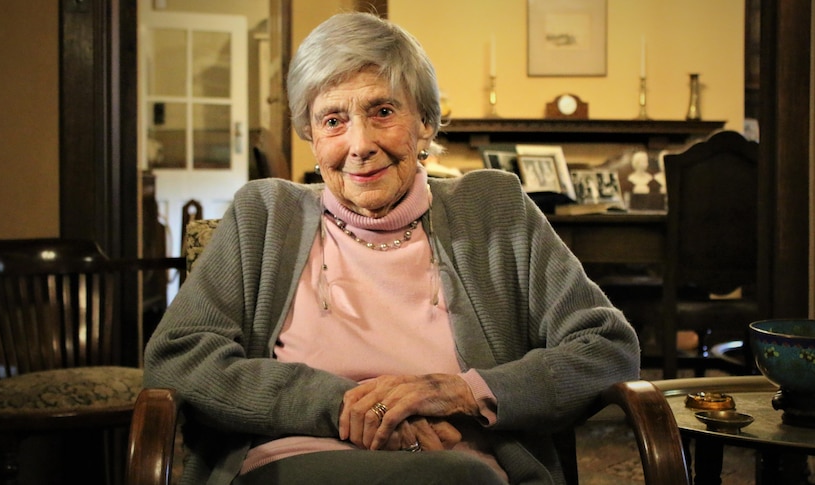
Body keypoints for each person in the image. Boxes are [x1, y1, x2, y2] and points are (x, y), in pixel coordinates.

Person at [144, 11, 640, 485]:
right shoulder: (264, 215)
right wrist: (342, 405)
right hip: (297, 464)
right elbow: (179, 358)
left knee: (459, 478)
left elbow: (607, 348)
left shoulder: (494, 209)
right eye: (333, 120)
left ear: (424, 122)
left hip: (462, 470)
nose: (359, 143)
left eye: (382, 112)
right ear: (312, 137)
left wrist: (465, 392)